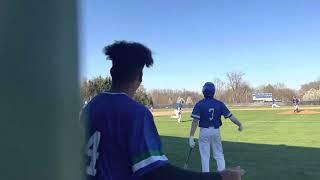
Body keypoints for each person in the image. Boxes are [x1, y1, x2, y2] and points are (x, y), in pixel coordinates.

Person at [81, 41, 245, 180]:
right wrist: (220, 177)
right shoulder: (136, 113)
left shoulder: (90, 107)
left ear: (111, 72)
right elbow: (158, 173)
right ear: (140, 78)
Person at [189, 82, 243, 172]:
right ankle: (222, 175)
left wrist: (191, 137)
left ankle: (206, 177)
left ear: (203, 91)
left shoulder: (199, 104)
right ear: (213, 91)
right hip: (216, 131)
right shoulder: (219, 104)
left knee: (205, 157)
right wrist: (239, 124)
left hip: (204, 132)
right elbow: (231, 116)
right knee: (219, 155)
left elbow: (195, 121)